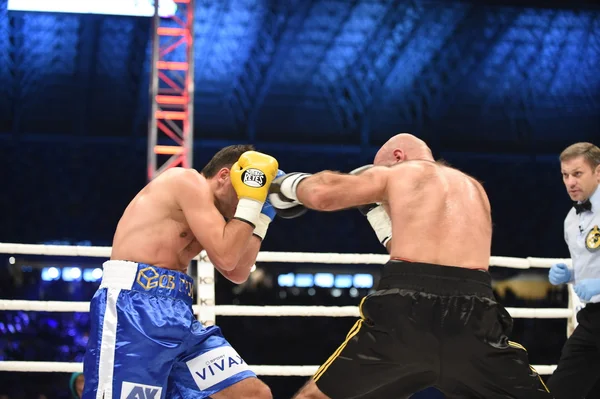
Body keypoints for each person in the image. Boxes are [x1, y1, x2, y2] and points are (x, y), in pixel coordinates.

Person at [269, 133, 552, 399]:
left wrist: (284, 186)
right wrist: (379, 216)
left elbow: (322, 193)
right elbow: (429, 249)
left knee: (315, 396)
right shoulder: (473, 188)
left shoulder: (400, 172)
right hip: (475, 316)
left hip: (405, 312)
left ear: (398, 155)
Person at [83, 145, 279, 399]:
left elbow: (237, 271)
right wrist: (252, 202)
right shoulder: (186, 181)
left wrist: (262, 216)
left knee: (252, 394)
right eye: (248, 189)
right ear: (224, 176)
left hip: (179, 315)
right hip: (133, 309)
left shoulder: (215, 218)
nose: (246, 201)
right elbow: (227, 255)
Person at [547, 142, 600, 399]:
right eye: (565, 176)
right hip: (593, 317)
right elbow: (589, 267)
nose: (570, 182)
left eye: (577, 174)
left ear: (598, 172)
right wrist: (571, 275)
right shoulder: (571, 220)